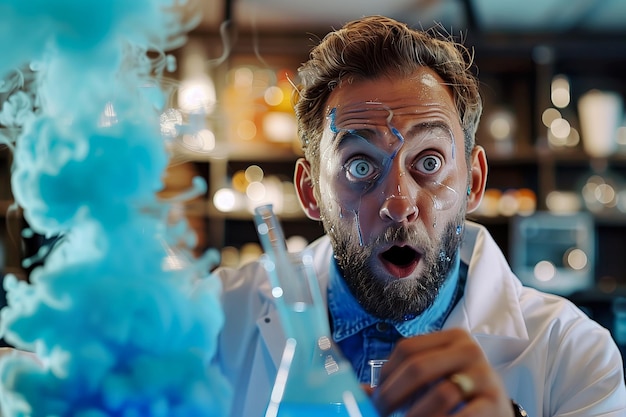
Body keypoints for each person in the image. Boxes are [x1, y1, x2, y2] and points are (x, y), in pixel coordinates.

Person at [216, 15, 626, 417]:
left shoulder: (572, 353)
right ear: (311, 192)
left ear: (474, 182)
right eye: (360, 166)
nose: (398, 203)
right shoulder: (216, 324)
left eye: (429, 162)